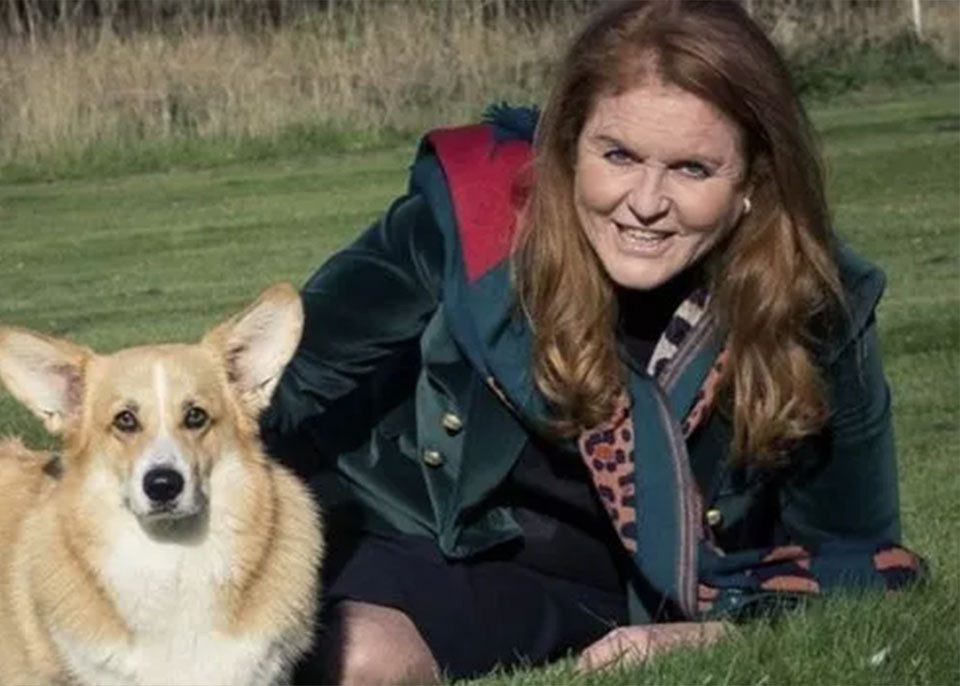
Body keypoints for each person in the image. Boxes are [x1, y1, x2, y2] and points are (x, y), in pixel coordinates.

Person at [261, 1, 926, 683]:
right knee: (343, 651)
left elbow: (860, 561)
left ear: (753, 180)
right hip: (406, 531)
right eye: (618, 155)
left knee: (360, 656)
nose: (646, 202)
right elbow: (279, 385)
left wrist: (710, 632)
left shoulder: (815, 301)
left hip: (607, 589)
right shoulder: (471, 220)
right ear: (567, 148)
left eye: (693, 169)